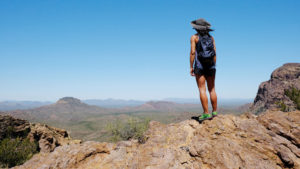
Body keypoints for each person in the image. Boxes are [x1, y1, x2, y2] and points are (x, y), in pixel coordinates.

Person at [190, 18, 218, 122]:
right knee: (212, 89)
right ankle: (214, 112)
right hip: (211, 66)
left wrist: (191, 66)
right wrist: (214, 65)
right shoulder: (211, 38)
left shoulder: (194, 37)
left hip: (200, 66)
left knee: (202, 89)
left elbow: (193, 52)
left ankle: (206, 113)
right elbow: (214, 53)